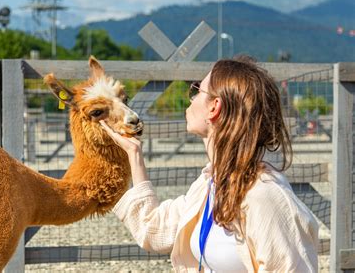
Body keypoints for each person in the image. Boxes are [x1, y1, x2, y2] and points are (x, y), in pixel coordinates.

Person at [100, 56, 319, 272]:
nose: (191, 98)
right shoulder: (211, 184)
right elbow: (154, 230)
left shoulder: (264, 195)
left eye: (197, 90)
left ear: (214, 107)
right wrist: (134, 154)